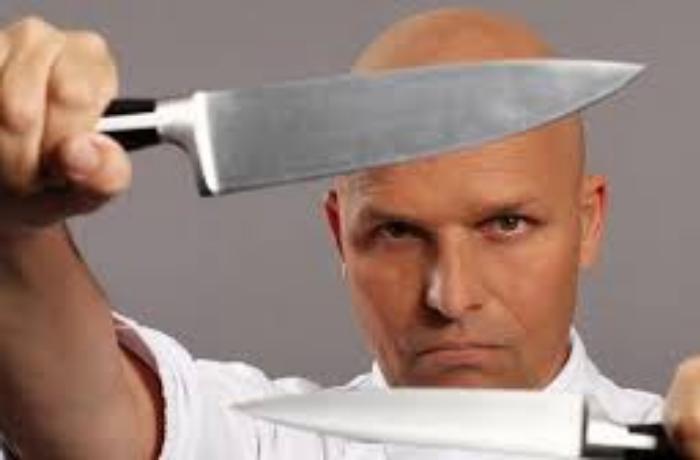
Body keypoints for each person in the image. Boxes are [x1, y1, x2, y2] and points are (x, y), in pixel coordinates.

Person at [0, 6, 699, 460]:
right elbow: (88, 420)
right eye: (396, 232)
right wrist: (14, 226)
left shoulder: (671, 439)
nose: (450, 296)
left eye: (506, 224)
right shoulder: (271, 438)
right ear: (340, 235)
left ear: (589, 223)